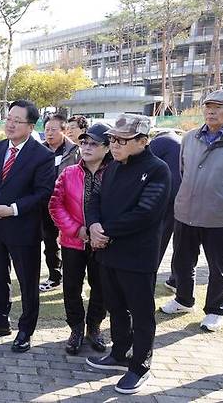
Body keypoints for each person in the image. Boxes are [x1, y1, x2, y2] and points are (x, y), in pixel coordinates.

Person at [85, 114, 170, 394]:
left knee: (142, 313)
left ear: (143, 142)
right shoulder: (112, 167)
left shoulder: (158, 170)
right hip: (107, 252)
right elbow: (94, 198)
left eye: (122, 140)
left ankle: (140, 364)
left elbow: (146, 212)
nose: (115, 144)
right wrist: (94, 225)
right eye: (112, 139)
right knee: (116, 306)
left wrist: (105, 230)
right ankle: (120, 353)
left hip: (137, 256)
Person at [0, 100, 54, 353]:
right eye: (8, 118)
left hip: (23, 229)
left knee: (28, 283)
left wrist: (13, 209)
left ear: (30, 126)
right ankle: (0, 321)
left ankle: (26, 330)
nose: (10, 124)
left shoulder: (42, 156)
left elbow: (43, 193)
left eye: (16, 121)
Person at [160, 89, 223, 332]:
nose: (211, 111)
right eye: (208, 106)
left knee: (218, 267)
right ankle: (183, 299)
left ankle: (215, 310)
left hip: (221, 216)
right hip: (186, 211)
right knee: (182, 261)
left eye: (219, 106)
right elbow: (183, 171)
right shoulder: (190, 138)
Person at [49, 123, 112, 356]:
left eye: (93, 143)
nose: (86, 147)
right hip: (72, 241)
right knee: (72, 286)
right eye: (84, 142)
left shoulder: (115, 175)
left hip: (104, 243)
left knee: (101, 287)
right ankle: (76, 328)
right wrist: (77, 230)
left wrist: (101, 233)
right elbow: (55, 205)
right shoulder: (69, 173)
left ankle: (94, 326)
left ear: (107, 148)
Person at [39, 114, 80, 292]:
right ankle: (55, 276)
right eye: (47, 129)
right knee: (49, 242)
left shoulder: (75, 151)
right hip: (45, 204)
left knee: (70, 242)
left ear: (64, 131)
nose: (49, 133)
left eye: (53, 129)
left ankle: (74, 276)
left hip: (68, 206)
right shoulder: (39, 151)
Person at [148, 128, 182, 291]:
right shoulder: (179, 142)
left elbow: (145, 165)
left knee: (158, 240)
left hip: (166, 196)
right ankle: (176, 280)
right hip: (183, 196)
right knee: (180, 243)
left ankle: (148, 278)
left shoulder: (160, 142)